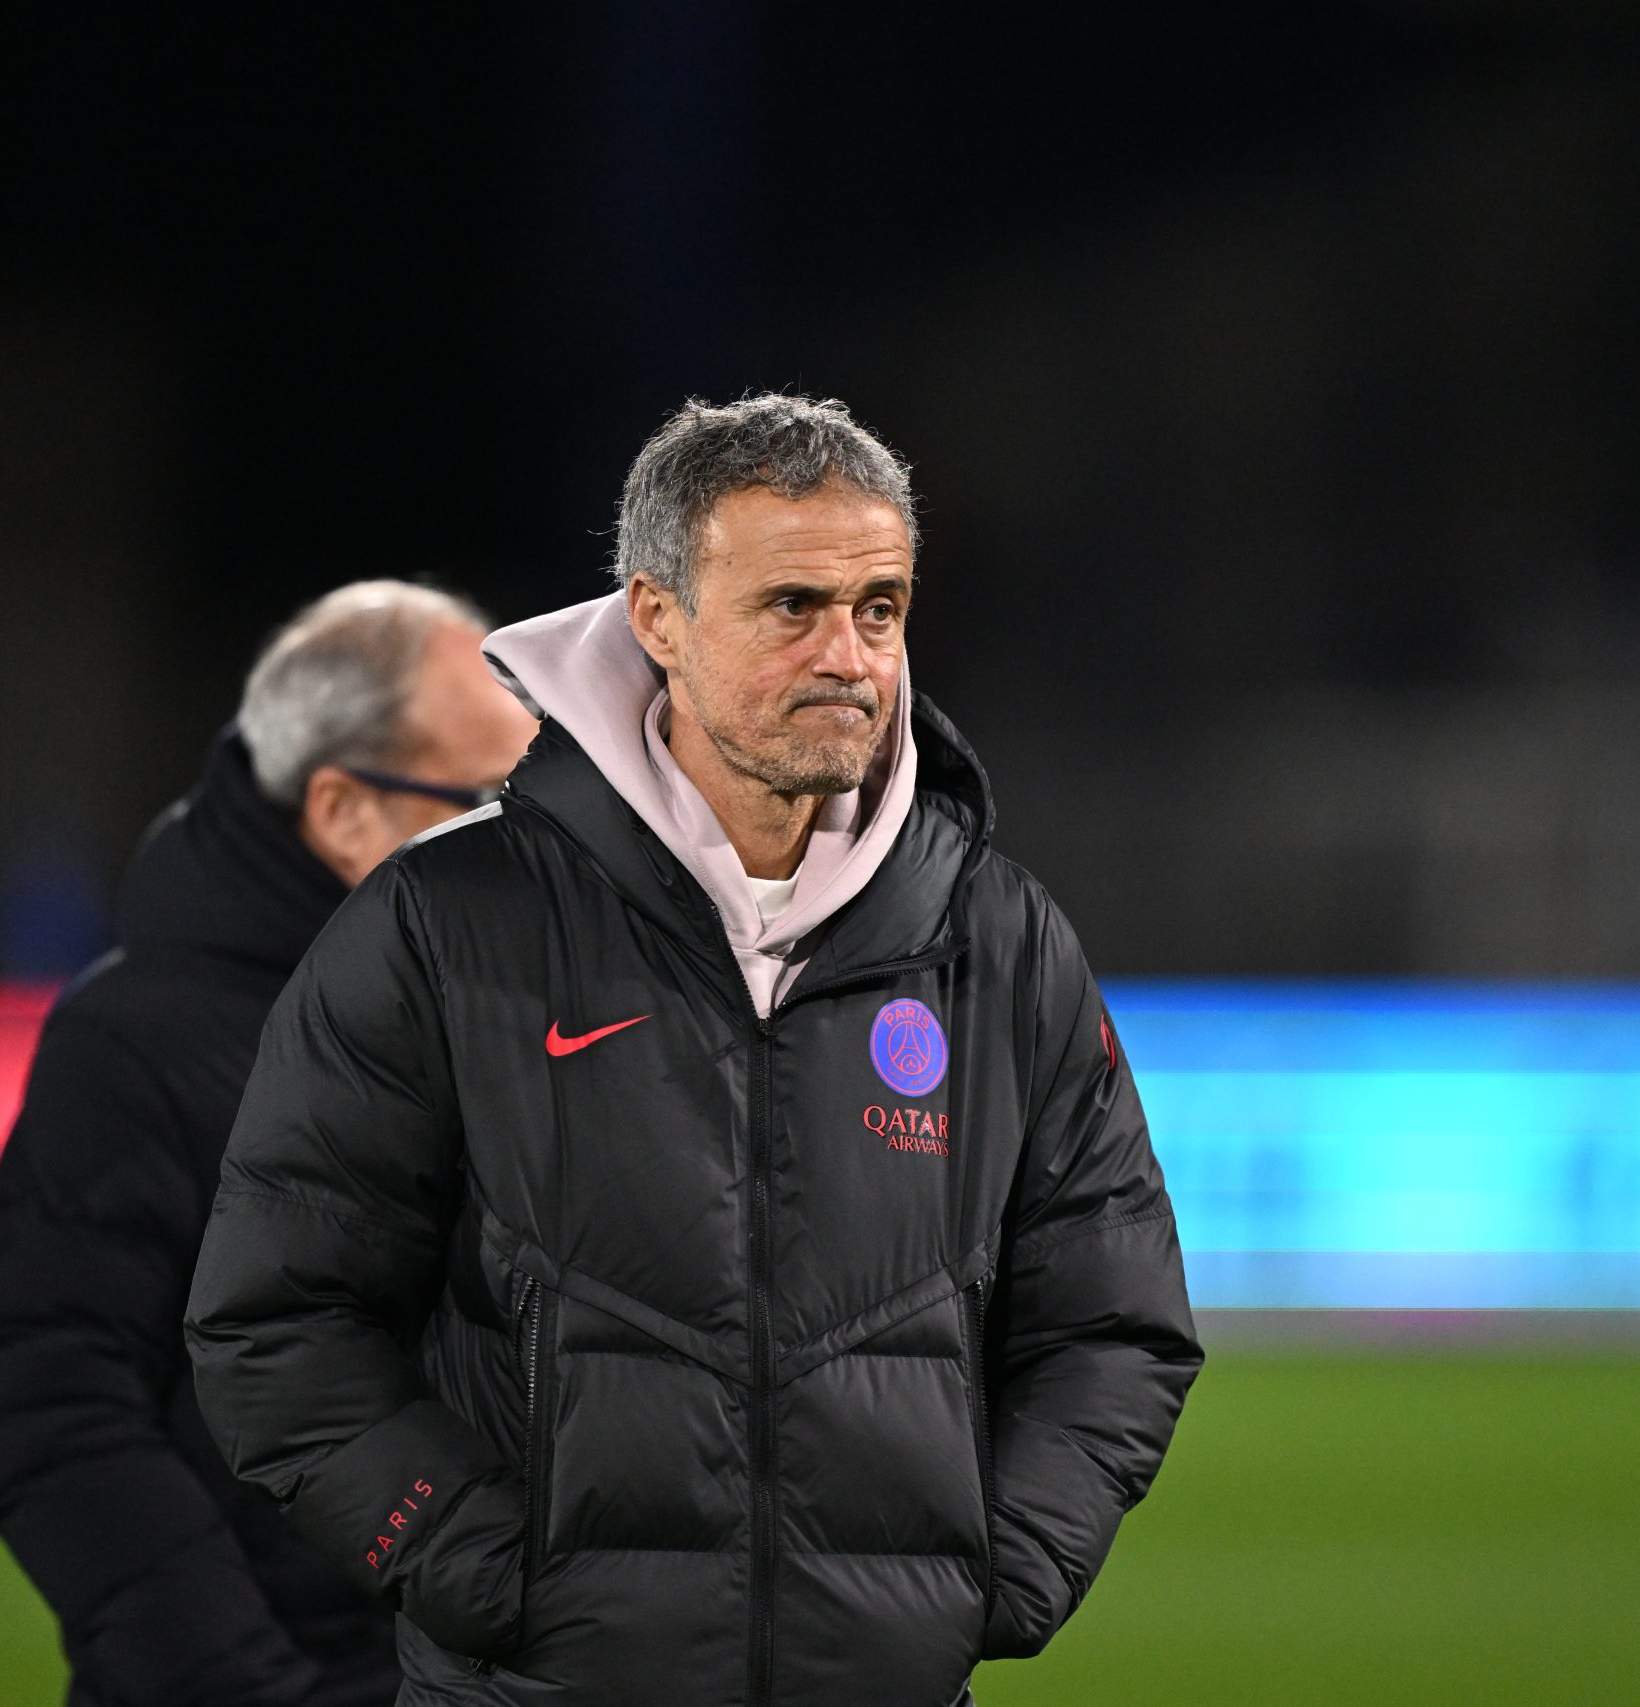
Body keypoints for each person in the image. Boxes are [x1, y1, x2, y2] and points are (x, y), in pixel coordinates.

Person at [186, 397, 1202, 1705]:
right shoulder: (444, 923)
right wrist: (486, 1576)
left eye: (879, 608)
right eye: (793, 606)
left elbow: (1113, 1323)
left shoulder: (1000, 940)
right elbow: (276, 1317)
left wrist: (1001, 1576)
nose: (849, 654)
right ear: (656, 617)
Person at [0, 581, 540, 1707]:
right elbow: (45, 1398)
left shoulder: (504, 1017)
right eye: (489, 803)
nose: (536, 843)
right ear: (343, 810)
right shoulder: (141, 1042)